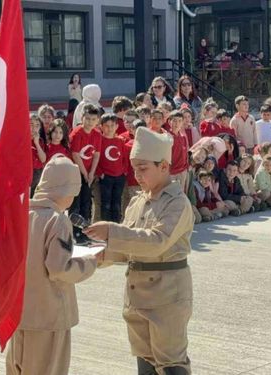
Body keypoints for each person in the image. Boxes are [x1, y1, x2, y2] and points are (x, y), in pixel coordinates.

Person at [84, 126, 194, 374]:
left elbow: (157, 241)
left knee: (171, 361)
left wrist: (112, 232)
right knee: (144, 360)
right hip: (137, 293)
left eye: (143, 168)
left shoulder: (177, 202)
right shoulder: (138, 201)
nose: (137, 175)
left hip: (167, 293)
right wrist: (98, 255)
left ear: (164, 166)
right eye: (134, 168)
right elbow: (129, 247)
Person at [6, 157, 99, 375]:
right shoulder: (57, 220)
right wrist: (91, 261)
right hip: (49, 315)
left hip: (19, 313)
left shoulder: (20, 213)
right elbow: (59, 268)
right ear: (67, 190)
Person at [69, 105, 102, 243]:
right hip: (77, 173)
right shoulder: (76, 133)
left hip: (89, 174)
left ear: (97, 121)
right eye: (87, 118)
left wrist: (92, 173)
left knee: (86, 203)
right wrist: (85, 173)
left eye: (93, 119)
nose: (89, 122)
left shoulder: (97, 134)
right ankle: (75, 234)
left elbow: (96, 155)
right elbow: (76, 155)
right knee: (76, 204)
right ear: (82, 118)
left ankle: (86, 233)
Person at [97, 113, 127, 222]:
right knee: (106, 203)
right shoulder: (99, 140)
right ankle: (105, 225)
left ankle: (116, 225)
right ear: (101, 127)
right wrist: (100, 173)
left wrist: (124, 171)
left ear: (117, 126)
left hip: (119, 176)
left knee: (117, 202)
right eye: (107, 126)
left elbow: (124, 158)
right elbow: (96, 158)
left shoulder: (120, 141)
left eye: (112, 125)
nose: (110, 128)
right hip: (106, 177)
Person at [30, 114, 47, 197]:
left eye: (37, 125)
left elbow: (43, 159)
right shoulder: (22, 139)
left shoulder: (40, 141)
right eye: (31, 124)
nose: (33, 128)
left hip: (37, 172)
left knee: (35, 198)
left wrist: (36, 143)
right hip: (26, 172)